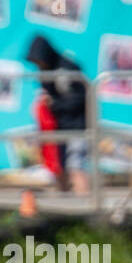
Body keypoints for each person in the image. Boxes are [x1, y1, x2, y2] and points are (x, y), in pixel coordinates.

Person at [25, 34, 89, 194]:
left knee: (75, 166)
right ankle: (66, 206)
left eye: (39, 61)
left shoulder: (68, 69)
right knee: (58, 168)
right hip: (58, 127)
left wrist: (54, 103)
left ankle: (86, 204)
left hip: (77, 126)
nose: (38, 65)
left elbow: (80, 99)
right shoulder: (45, 71)